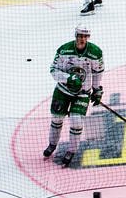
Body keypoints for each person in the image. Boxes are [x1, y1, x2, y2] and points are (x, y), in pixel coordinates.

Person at [44, 24, 105, 164]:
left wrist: (97, 89)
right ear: (75, 35)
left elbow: (98, 73)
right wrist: (68, 78)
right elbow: (53, 70)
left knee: (76, 121)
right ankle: (52, 145)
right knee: (57, 118)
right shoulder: (64, 50)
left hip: (82, 93)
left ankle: (71, 150)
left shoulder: (95, 52)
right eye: (80, 36)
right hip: (63, 90)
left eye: (85, 36)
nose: (82, 39)